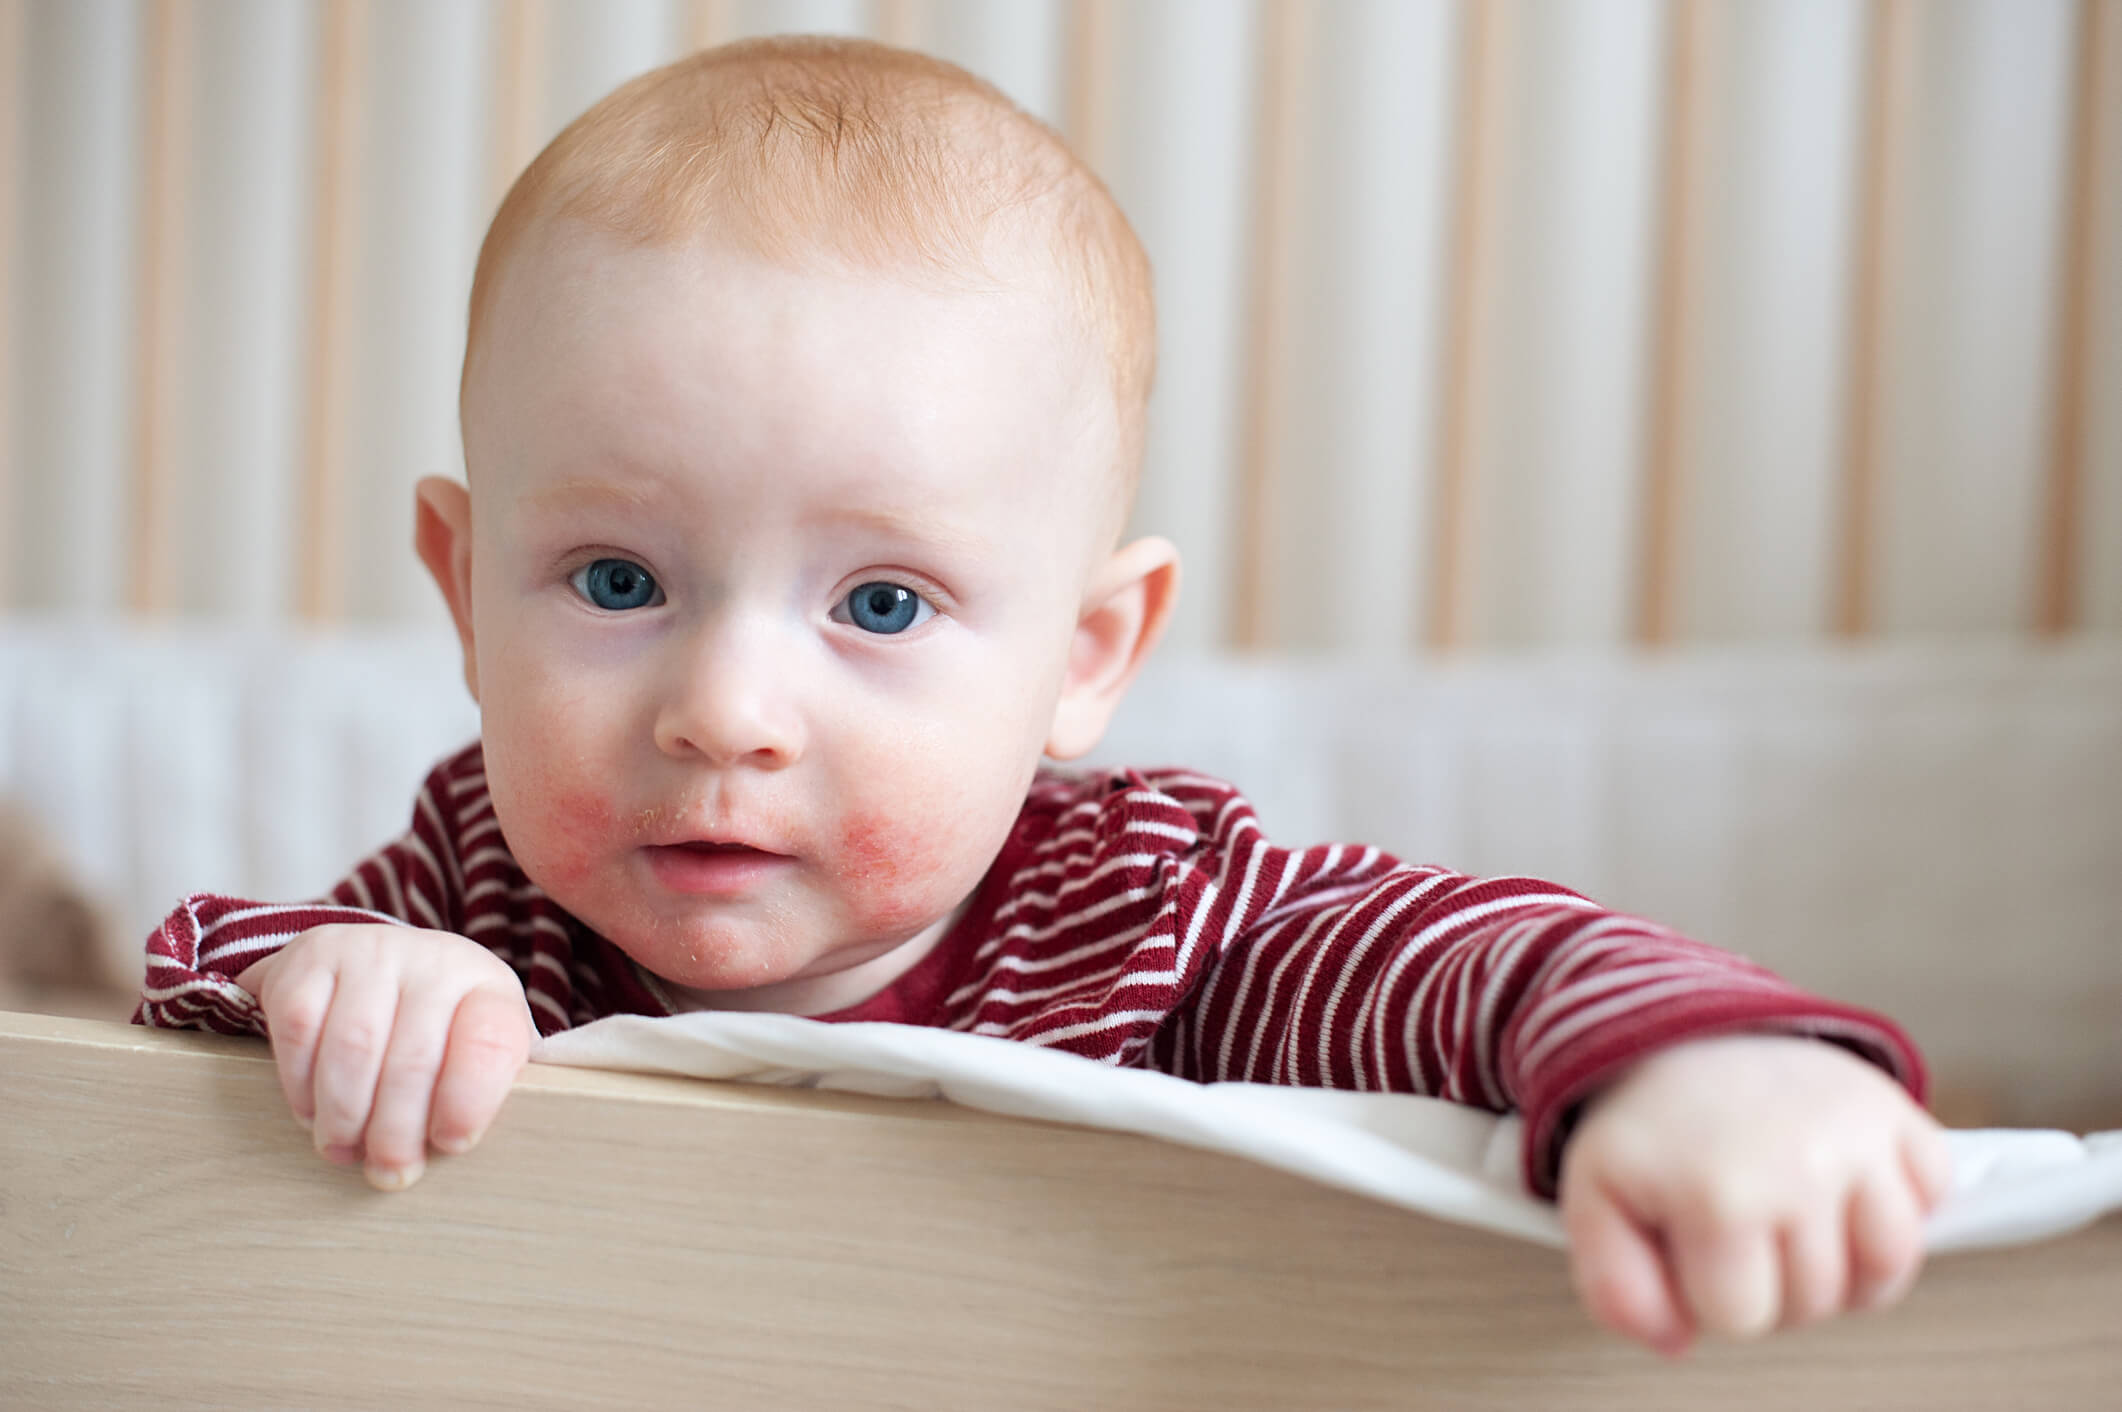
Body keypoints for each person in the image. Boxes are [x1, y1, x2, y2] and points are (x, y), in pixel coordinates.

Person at [134, 36, 1950, 1358]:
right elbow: (170, 1014)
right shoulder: (482, 883)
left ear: (1083, 658)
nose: (724, 708)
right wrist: (326, 976)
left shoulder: (1145, 911)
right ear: (463, 594)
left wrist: (1698, 1067)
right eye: (618, 583)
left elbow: (1469, 961)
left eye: (882, 600)